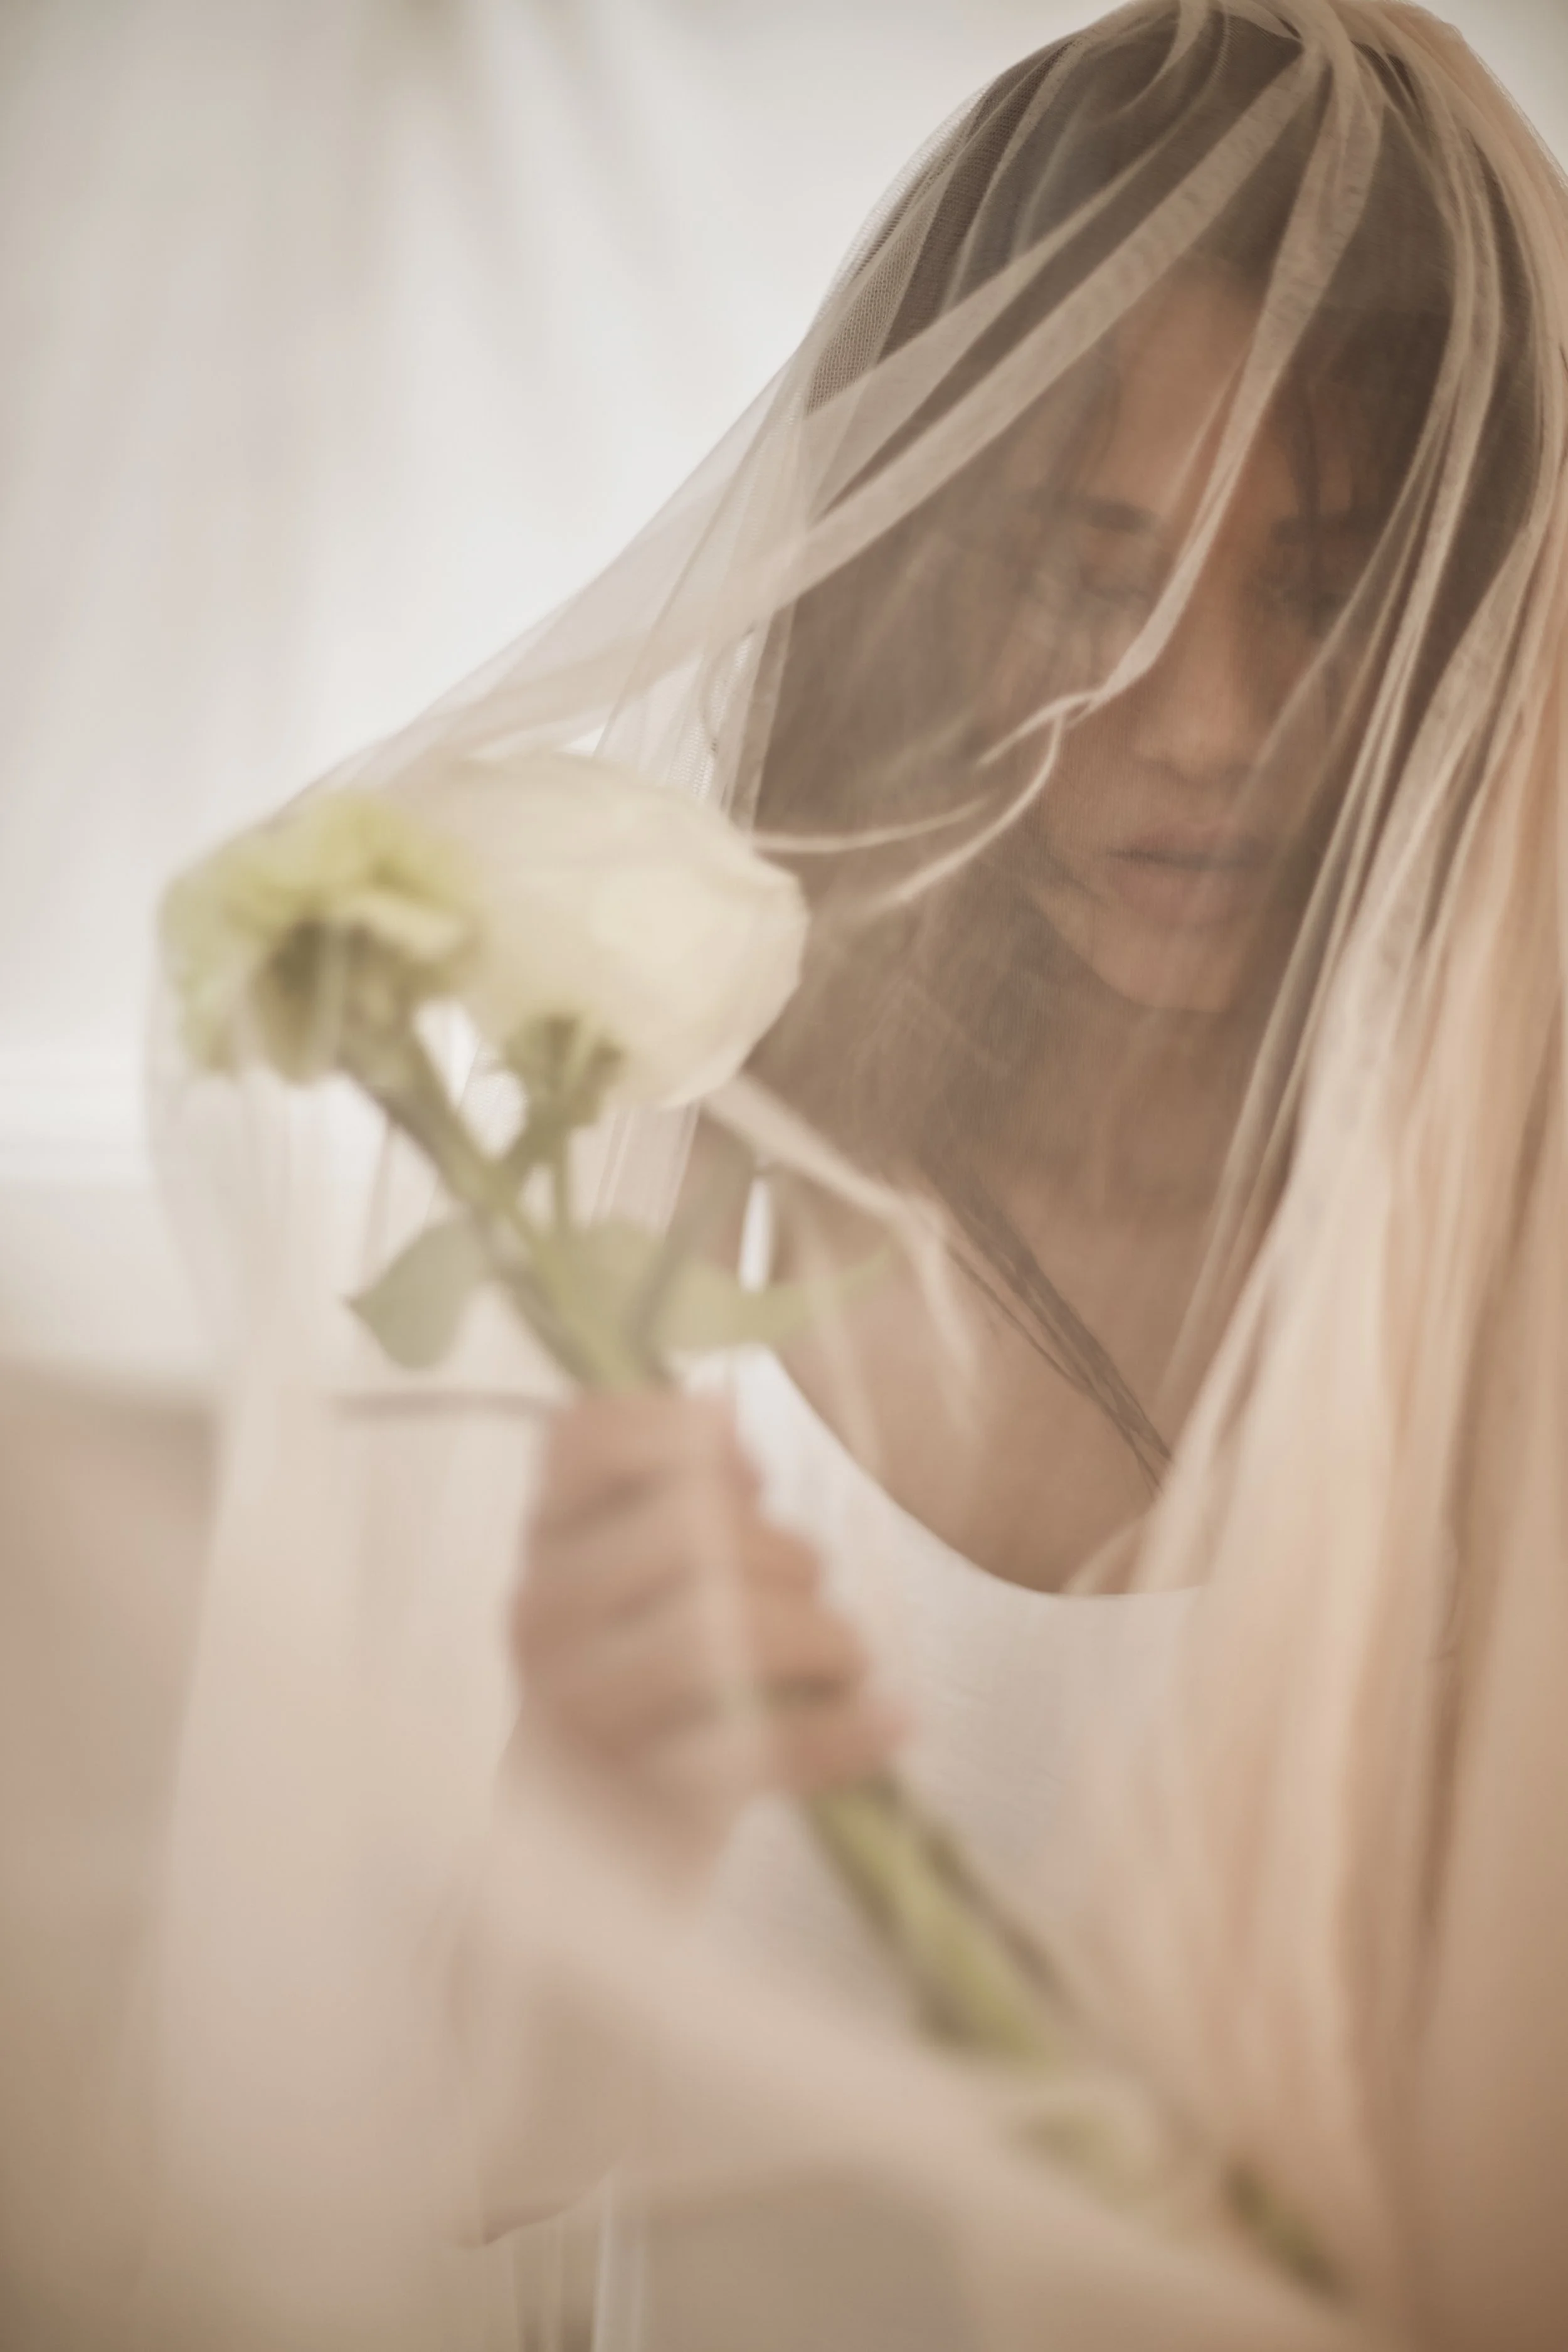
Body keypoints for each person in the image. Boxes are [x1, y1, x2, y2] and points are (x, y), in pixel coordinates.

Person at [145, 5, 1568, 2348]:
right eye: (1085, 572)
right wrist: (593, 1833)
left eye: (1314, 587)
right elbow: (433, 2175)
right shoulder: (650, 1185)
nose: (1197, 725)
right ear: (914, 571)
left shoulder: (1508, 1264)